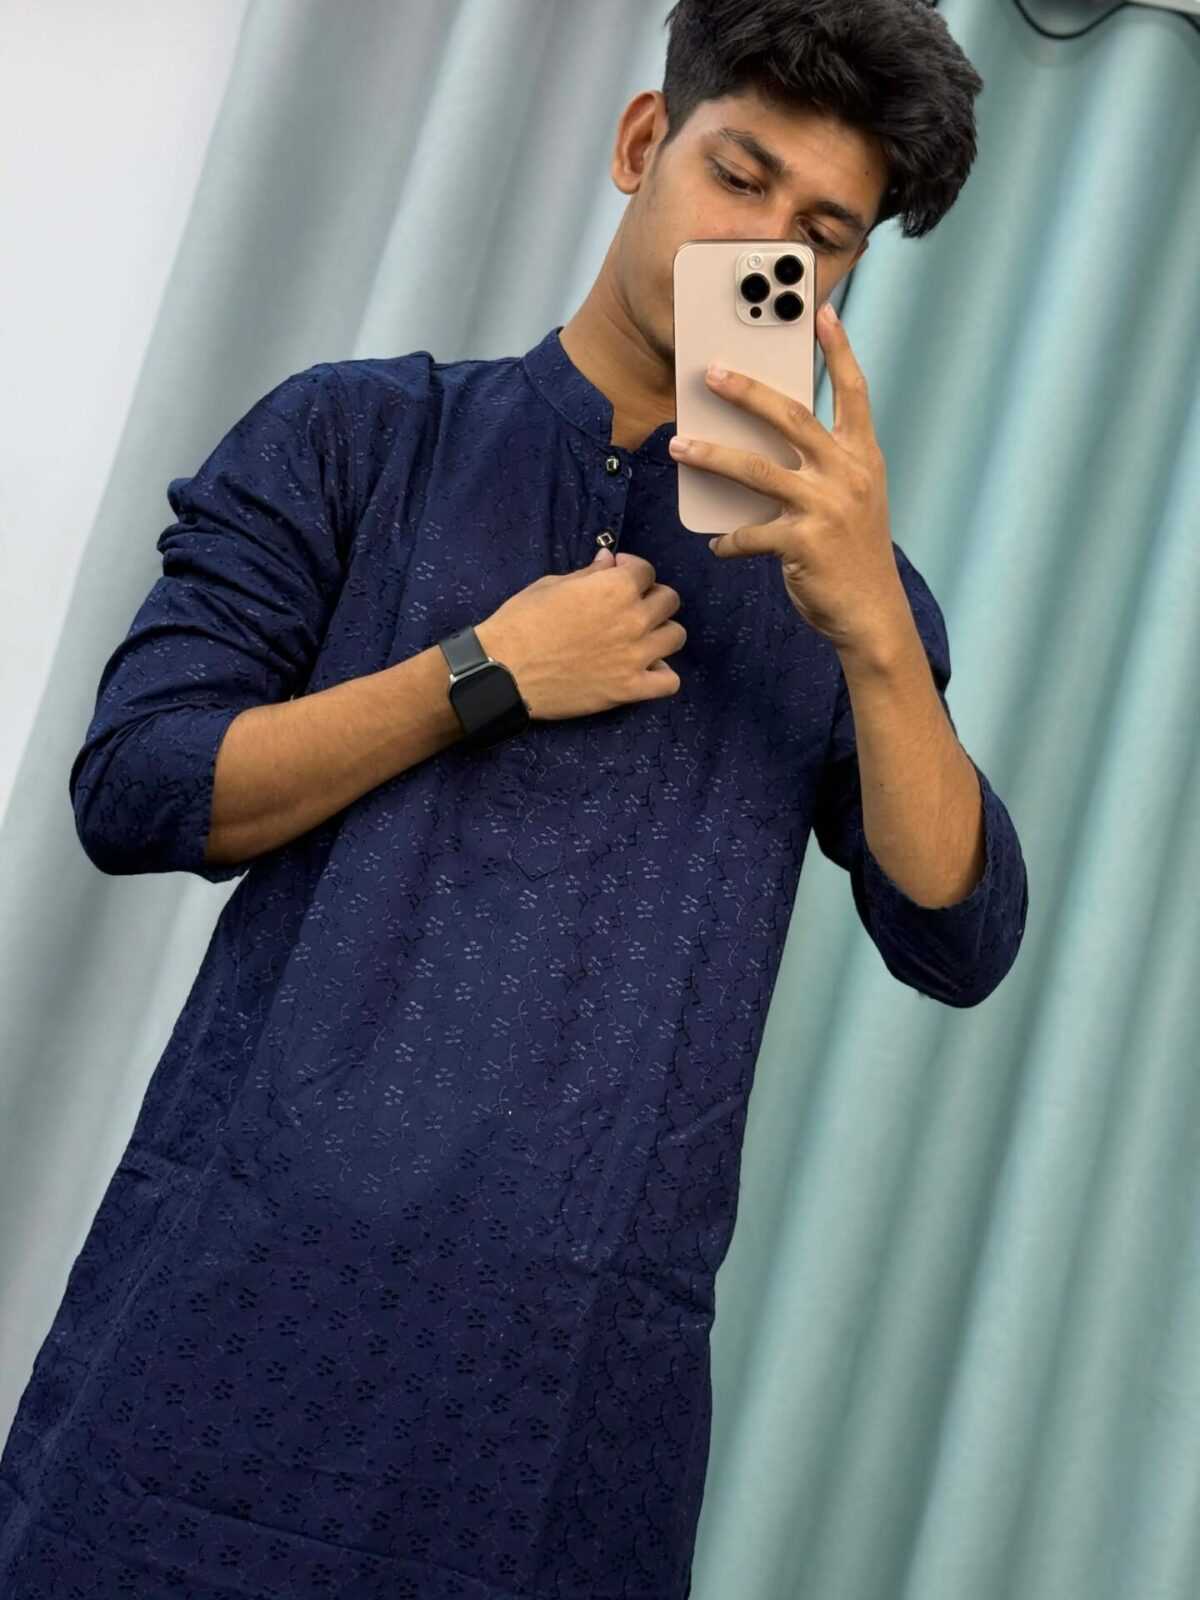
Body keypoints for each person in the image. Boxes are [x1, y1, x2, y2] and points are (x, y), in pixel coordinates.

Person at [0, 2, 1026, 1595]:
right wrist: (479, 673)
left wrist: (879, 638)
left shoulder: (837, 592)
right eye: (738, 176)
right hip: (228, 1324)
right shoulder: (358, 437)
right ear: (641, 143)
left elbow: (960, 934)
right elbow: (140, 785)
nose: (762, 247)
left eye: (822, 234)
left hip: (561, 1404)